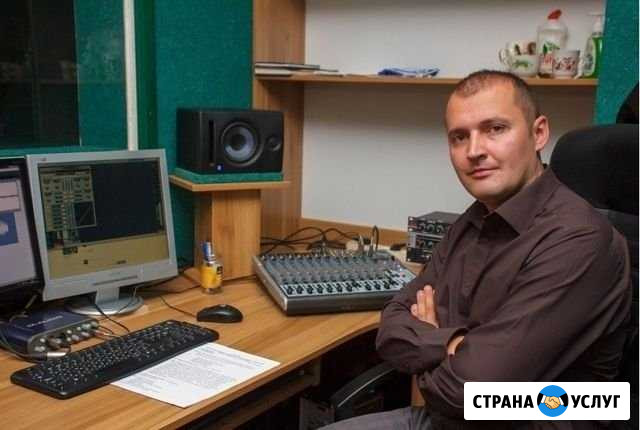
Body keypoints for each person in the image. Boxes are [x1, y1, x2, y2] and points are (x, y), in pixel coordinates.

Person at [321, 70, 631, 429]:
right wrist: (454, 347)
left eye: (495, 129)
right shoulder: (474, 220)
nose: (474, 151)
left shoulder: (579, 240)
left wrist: (430, 345)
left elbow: (476, 394)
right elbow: (393, 323)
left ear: (539, 133)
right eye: (459, 137)